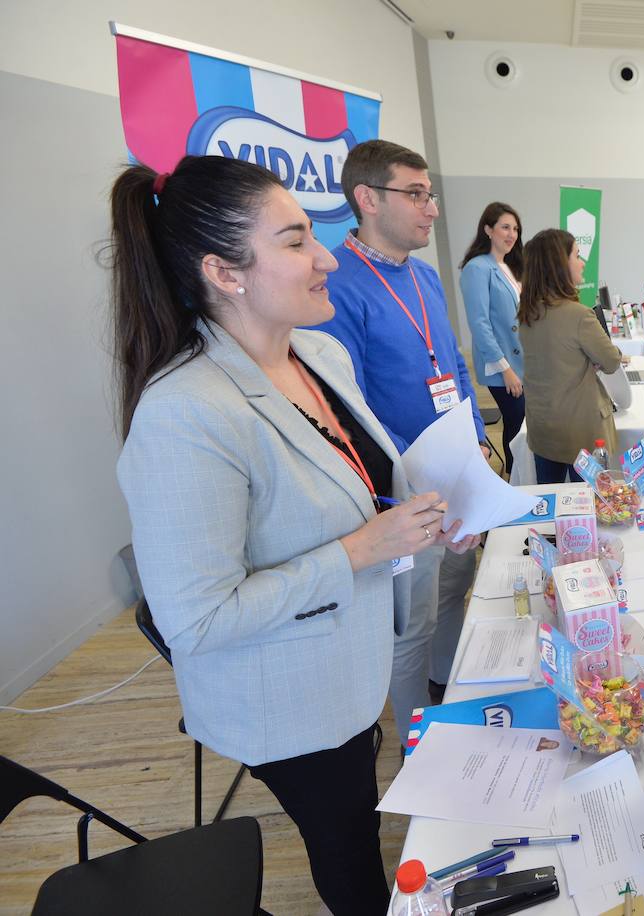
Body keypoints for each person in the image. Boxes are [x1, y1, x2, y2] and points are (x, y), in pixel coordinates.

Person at [111, 156, 478, 915]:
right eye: (295, 241)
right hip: (288, 699)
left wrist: (429, 520)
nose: (328, 258)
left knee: (362, 797)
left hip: (355, 666)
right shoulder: (187, 412)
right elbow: (196, 619)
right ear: (225, 272)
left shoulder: (320, 355)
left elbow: (358, 477)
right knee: (347, 850)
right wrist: (362, 550)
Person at [310, 139, 488, 737]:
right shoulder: (340, 284)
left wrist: (476, 441)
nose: (431, 208)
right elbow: (348, 405)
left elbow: (455, 366)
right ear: (367, 199)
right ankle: (422, 742)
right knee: (410, 626)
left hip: (453, 478)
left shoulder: (426, 276)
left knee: (453, 593)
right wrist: (419, 473)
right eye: (415, 194)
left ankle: (448, 690)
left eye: (429, 193)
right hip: (402, 495)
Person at [519, 229, 623, 483]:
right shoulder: (579, 315)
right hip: (582, 433)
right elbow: (611, 361)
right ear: (559, 264)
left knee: (553, 501)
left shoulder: (527, 314)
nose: (583, 261)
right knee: (591, 504)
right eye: (577, 255)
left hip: (543, 429)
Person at [460, 202, 525, 474]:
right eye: (505, 227)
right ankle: (515, 478)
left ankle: (521, 475)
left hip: (521, 361)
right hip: (503, 366)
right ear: (488, 229)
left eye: (515, 229)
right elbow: (480, 324)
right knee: (515, 424)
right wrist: (506, 370)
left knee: (520, 426)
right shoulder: (477, 268)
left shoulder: (508, 266)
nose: (511, 234)